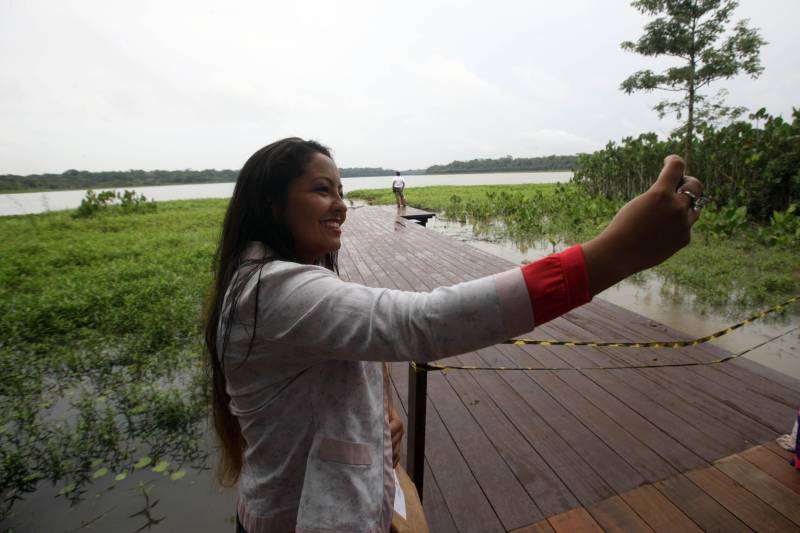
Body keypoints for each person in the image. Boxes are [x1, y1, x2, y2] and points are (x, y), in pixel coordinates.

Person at [203, 137, 703, 533]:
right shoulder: (273, 290)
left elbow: (346, 355)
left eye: (341, 190)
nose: (341, 205)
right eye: (322, 190)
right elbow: (420, 323)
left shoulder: (271, 283)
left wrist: (383, 415)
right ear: (272, 204)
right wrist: (612, 255)